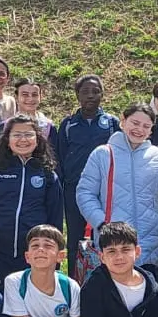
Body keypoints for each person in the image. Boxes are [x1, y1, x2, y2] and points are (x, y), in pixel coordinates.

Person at [78, 103, 158, 276]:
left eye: (146, 126)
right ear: (123, 121)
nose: (139, 129)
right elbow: (85, 193)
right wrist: (101, 223)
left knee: (147, 297)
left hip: (149, 242)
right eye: (135, 123)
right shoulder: (102, 154)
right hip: (114, 242)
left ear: (151, 130)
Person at [0, 116, 66, 281]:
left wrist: (53, 256)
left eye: (28, 134)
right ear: (7, 140)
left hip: (33, 254)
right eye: (17, 135)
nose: (23, 139)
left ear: (38, 139)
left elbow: (55, 218)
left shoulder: (47, 175)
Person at [55, 74, 121, 280]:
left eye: (95, 91)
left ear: (102, 94)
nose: (90, 96)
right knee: (76, 237)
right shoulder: (67, 124)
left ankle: (106, 279)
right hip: (74, 190)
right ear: (77, 95)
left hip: (105, 189)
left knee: (105, 234)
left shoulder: (111, 123)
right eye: (85, 92)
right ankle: (76, 282)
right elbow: (59, 157)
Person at [80, 221, 158, 317]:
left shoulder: (150, 284)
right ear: (102, 257)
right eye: (112, 251)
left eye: (125, 250)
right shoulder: (93, 286)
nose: (119, 257)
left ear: (137, 252)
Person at [4, 225, 83, 317]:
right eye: (35, 245)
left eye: (48, 245)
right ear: (27, 257)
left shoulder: (70, 286)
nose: (40, 249)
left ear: (60, 256)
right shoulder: (15, 282)